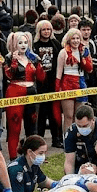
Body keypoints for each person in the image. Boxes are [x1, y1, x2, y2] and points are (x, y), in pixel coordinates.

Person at [2, 31, 45, 159]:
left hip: (32, 92)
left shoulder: (33, 58)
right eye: (20, 42)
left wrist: (40, 65)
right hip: (15, 92)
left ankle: (33, 155)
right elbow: (8, 75)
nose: (23, 45)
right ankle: (13, 157)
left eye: (25, 42)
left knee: (32, 125)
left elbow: (41, 78)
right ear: (14, 44)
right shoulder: (9, 58)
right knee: (14, 126)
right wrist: (14, 61)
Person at [32, 20, 64, 148]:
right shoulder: (35, 45)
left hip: (52, 82)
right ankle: (39, 140)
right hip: (39, 84)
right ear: (39, 31)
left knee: (54, 113)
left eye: (48, 29)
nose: (46, 32)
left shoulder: (55, 44)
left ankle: (56, 139)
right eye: (44, 29)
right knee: (41, 113)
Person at [55, 29, 93, 132]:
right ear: (69, 40)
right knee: (68, 116)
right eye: (73, 38)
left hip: (81, 82)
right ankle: (67, 138)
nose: (76, 41)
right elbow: (59, 72)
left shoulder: (84, 51)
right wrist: (58, 88)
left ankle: (78, 137)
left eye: (77, 38)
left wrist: (84, 57)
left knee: (79, 115)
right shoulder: (63, 52)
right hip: (67, 83)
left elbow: (90, 69)